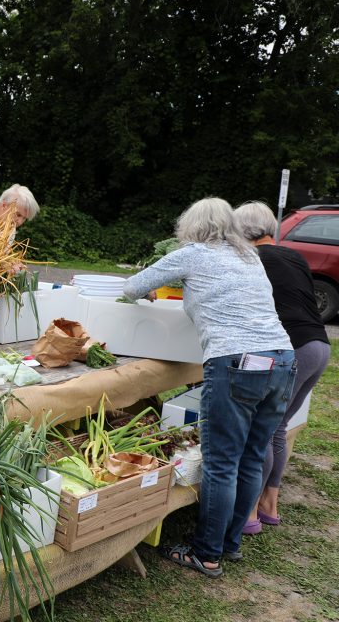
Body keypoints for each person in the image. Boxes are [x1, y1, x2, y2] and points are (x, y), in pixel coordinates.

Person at [123, 197, 295, 577]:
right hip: (282, 359)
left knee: (221, 462)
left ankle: (206, 553)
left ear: (191, 226)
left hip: (237, 362)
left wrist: (150, 291)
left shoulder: (193, 254)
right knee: (252, 456)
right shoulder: (250, 257)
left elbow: (132, 287)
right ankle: (230, 543)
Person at [232, 201, 330, 534]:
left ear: (242, 232)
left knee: (261, 429)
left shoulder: (253, 259)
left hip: (294, 348)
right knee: (279, 426)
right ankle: (269, 504)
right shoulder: (294, 256)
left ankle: (248, 515)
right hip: (320, 346)